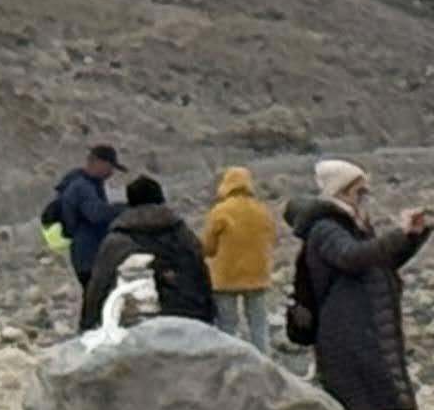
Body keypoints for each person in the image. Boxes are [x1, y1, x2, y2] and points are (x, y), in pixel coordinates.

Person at [295, 160, 433, 410]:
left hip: (357, 328)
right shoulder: (326, 229)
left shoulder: (350, 226)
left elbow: (378, 262)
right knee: (361, 408)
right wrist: (396, 234)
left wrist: (411, 238)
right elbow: (355, 259)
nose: (365, 197)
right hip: (345, 331)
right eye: (359, 190)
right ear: (341, 191)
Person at [76, 175, 216, 333]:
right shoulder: (181, 233)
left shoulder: (118, 240)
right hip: (187, 318)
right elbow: (200, 271)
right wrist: (209, 314)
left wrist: (87, 325)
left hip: (135, 325)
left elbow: (99, 284)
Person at [200, 166, 282, 350]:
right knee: (259, 324)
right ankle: (262, 362)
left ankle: (230, 361)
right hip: (257, 275)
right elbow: (272, 238)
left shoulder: (220, 211)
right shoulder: (262, 210)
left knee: (228, 325)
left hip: (226, 276)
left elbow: (208, 247)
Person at [41, 144, 122, 282]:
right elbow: (95, 214)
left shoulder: (87, 184)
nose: (111, 173)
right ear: (98, 163)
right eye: (110, 167)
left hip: (87, 254)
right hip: (89, 254)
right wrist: (122, 208)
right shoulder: (82, 187)